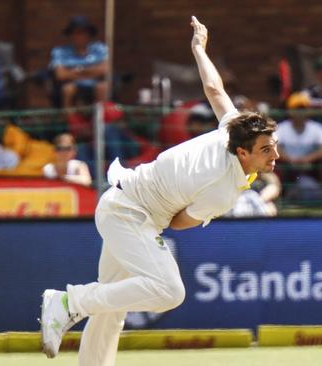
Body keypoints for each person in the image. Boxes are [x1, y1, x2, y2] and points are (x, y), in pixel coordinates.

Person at [39, 16, 280, 364]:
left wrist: (198, 48)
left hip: (121, 202)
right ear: (243, 152)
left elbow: (215, 90)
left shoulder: (233, 128)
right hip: (130, 214)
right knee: (169, 291)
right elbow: (180, 222)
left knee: (112, 307)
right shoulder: (224, 188)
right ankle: (68, 302)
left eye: (274, 146)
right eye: (266, 150)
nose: (276, 156)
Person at [276, 92, 322, 201]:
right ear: (289, 111)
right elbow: (273, 147)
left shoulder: (317, 128)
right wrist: (290, 159)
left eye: (302, 109)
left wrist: (308, 159)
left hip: (311, 170)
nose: (299, 113)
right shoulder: (281, 128)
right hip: (287, 170)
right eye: (296, 109)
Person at [50, 16, 109, 109]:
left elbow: (104, 70)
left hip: (95, 83)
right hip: (70, 85)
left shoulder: (100, 48)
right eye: (75, 33)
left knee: (103, 87)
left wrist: (75, 71)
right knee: (68, 90)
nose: (79, 36)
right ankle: (70, 120)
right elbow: (60, 74)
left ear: (89, 34)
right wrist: (91, 71)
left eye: (82, 32)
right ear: (71, 35)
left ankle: (101, 120)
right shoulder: (60, 51)